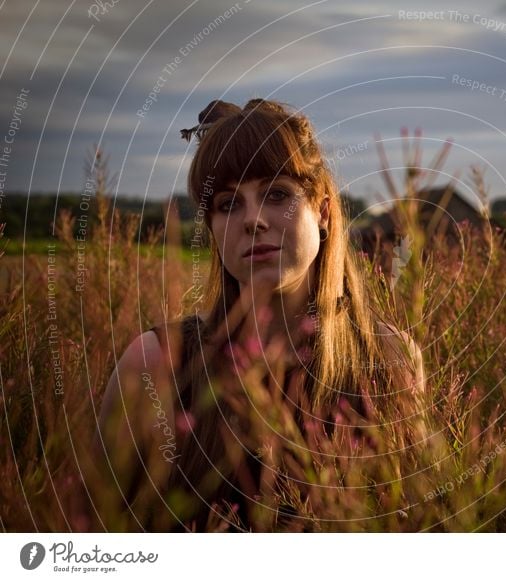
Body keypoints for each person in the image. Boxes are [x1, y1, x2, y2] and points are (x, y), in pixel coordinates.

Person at [92, 98, 425, 532]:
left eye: (277, 195)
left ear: (323, 211)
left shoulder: (388, 357)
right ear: (211, 228)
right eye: (229, 204)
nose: (253, 221)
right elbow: (94, 535)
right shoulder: (155, 363)